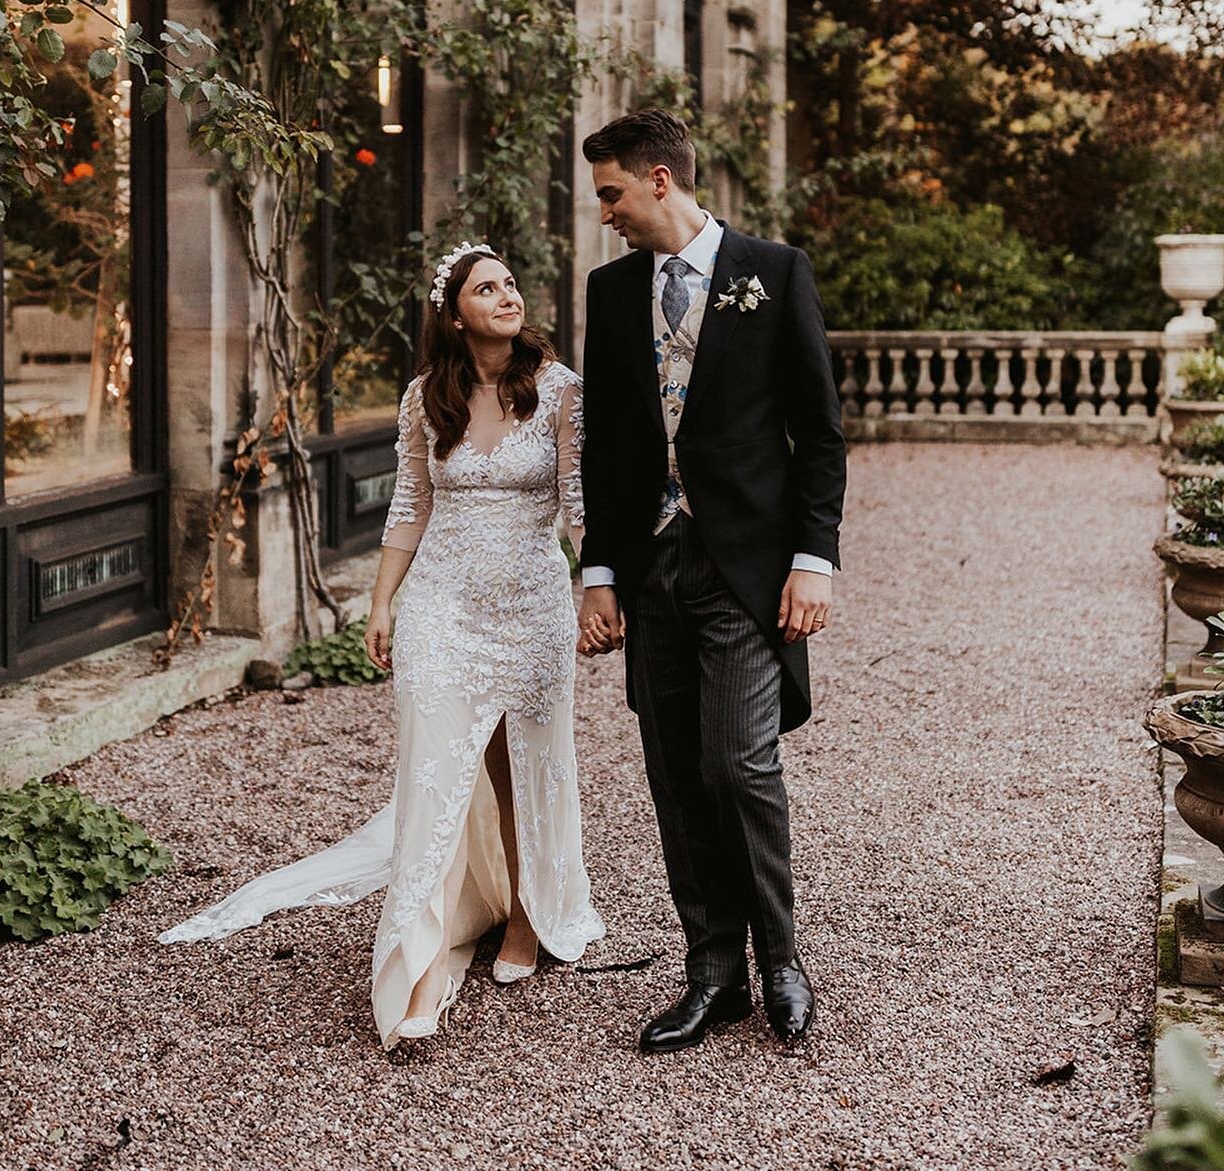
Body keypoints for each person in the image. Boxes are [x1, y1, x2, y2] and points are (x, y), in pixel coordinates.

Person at [160, 243, 603, 1049]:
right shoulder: (422, 399)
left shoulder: (562, 390)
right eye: (487, 288)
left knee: (522, 767)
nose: (507, 296)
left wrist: (601, 588)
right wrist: (381, 601)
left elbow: (578, 504)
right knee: (435, 767)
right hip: (442, 603)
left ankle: (529, 918)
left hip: (532, 605)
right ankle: (420, 956)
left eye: (510, 284)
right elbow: (409, 505)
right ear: (454, 312)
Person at [576, 107, 846, 1053]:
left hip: (747, 567)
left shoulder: (774, 274)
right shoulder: (609, 294)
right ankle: (712, 974)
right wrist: (599, 572)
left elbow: (817, 435)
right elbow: (608, 447)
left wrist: (813, 559)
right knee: (675, 775)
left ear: (659, 179)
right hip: (652, 569)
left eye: (610, 190)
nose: (602, 210)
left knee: (739, 761)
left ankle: (781, 957)